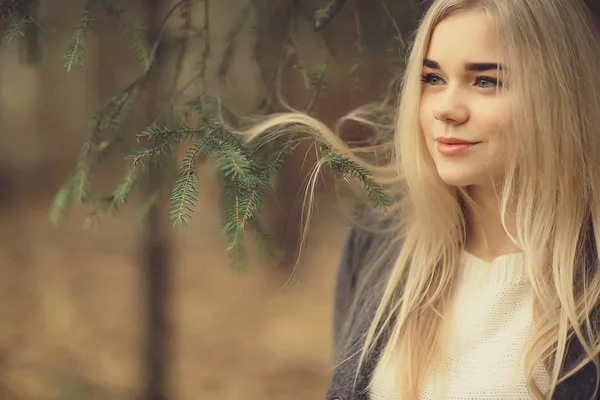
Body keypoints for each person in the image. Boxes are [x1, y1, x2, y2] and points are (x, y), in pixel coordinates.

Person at [245, 0, 600, 398]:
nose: (446, 109)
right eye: (433, 79)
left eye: (485, 81)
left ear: (559, 96)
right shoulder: (379, 245)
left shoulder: (589, 283)